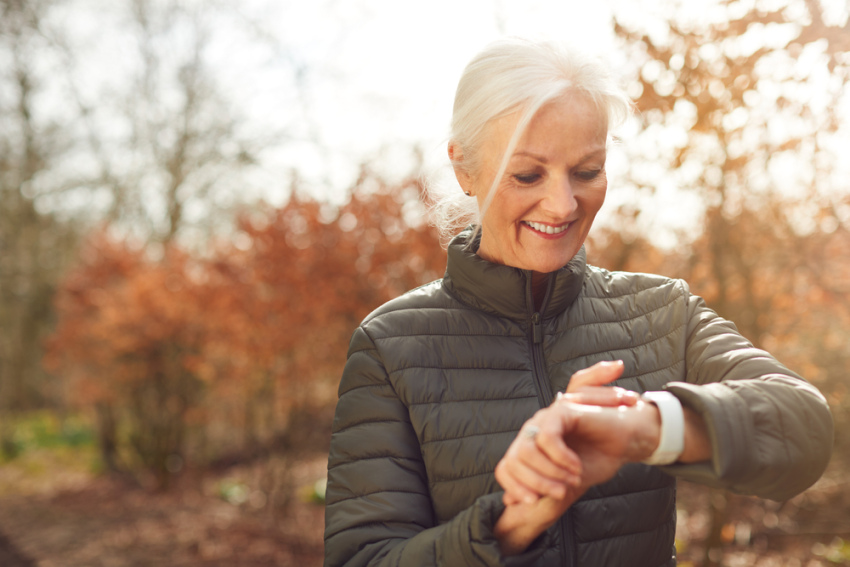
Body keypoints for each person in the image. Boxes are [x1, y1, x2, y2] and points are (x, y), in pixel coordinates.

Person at [323, 38, 833, 567]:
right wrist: (514, 521)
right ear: (464, 168)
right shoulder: (390, 346)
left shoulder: (662, 311)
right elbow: (361, 558)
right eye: (527, 175)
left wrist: (644, 428)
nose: (563, 204)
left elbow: (803, 427)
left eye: (587, 171)